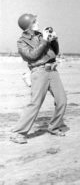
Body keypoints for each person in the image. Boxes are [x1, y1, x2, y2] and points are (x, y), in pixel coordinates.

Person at [10, 13, 67, 144]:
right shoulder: (22, 42)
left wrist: (54, 40)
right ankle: (18, 133)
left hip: (53, 71)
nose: (38, 24)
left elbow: (55, 52)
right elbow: (32, 56)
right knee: (35, 103)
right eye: (35, 22)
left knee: (62, 100)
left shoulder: (41, 36)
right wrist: (45, 41)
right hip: (39, 72)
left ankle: (54, 127)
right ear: (28, 26)